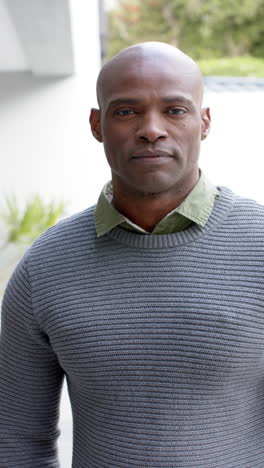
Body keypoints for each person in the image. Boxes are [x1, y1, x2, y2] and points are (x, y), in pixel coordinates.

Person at [0, 41, 264, 468]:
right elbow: (15, 439)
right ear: (97, 124)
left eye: (175, 110)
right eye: (126, 111)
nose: (151, 129)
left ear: (205, 122)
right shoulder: (44, 269)